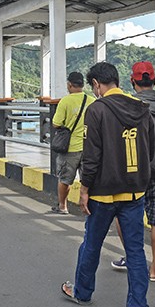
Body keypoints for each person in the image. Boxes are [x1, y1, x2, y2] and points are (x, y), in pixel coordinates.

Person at [60, 61, 155, 307]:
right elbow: (151, 148)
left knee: (92, 243)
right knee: (135, 249)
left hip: (103, 192)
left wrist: (84, 189)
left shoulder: (97, 109)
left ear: (96, 85)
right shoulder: (141, 108)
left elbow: (92, 156)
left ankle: (82, 292)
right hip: (135, 192)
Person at [109, 62, 155, 282]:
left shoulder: (130, 105)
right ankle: (154, 270)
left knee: (126, 217)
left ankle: (133, 259)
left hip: (133, 173)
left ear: (132, 81)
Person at [50, 71, 90, 214]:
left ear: (70, 85)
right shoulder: (91, 100)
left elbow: (56, 123)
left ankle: (63, 206)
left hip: (70, 148)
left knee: (65, 179)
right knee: (88, 179)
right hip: (88, 148)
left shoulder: (65, 101)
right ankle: (88, 207)